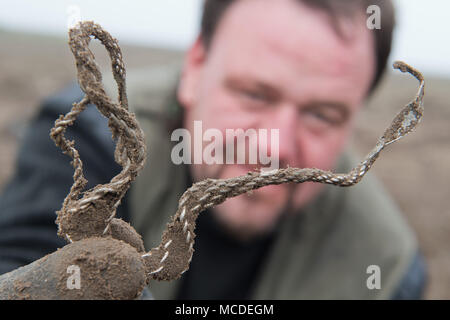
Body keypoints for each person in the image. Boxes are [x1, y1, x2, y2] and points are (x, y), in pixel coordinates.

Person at [0, 0, 427, 299]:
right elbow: (25, 252)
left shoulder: (387, 265)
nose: (273, 145)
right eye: (255, 94)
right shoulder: (93, 132)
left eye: (322, 115)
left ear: (354, 120)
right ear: (195, 68)